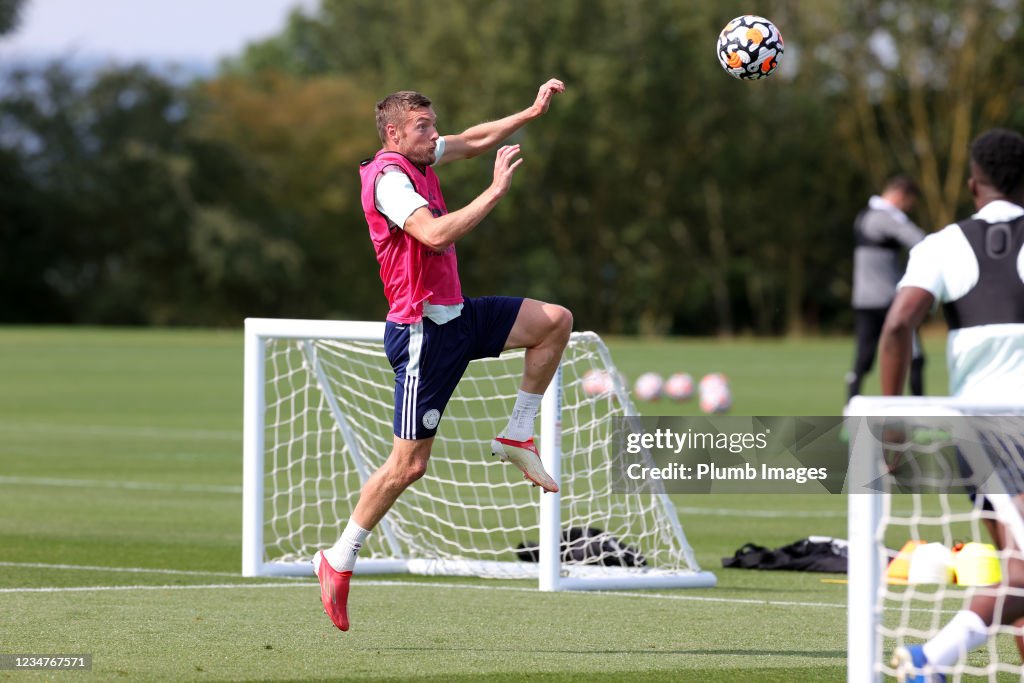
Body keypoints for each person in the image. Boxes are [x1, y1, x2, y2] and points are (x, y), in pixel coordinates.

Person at [312, 79, 573, 632]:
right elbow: (431, 235)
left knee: (554, 322)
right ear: (393, 133)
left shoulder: (423, 156)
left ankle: (517, 435)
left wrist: (528, 112)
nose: (435, 135)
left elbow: (475, 140)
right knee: (409, 466)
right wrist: (494, 193)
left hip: (459, 316)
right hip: (421, 334)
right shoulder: (387, 180)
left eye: (434, 125)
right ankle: (339, 557)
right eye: (424, 128)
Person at [879, 128, 1024, 682]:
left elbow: (898, 324)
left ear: (972, 186)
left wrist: (889, 419)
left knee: (1015, 568)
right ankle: (928, 660)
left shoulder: (941, 244)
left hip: (975, 432)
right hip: (1010, 431)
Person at [847, 174, 927, 402]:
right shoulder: (886, 217)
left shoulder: (863, 215)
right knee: (915, 357)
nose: (908, 209)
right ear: (901, 195)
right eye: (909, 203)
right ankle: (921, 414)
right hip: (890, 300)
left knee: (863, 359)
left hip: (863, 299)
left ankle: (849, 413)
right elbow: (920, 241)